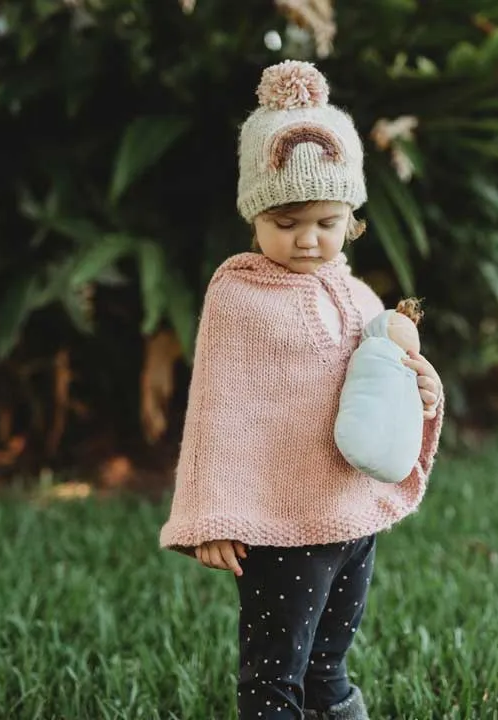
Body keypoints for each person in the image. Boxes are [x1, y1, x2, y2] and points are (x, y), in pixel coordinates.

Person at [160, 59, 444, 720]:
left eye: (325, 221)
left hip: (350, 515)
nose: (307, 239)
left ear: (351, 218)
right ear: (255, 217)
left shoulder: (360, 295)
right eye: (286, 223)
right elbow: (217, 408)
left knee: (329, 661)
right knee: (274, 675)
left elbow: (381, 388)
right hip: (280, 526)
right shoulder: (238, 296)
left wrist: (423, 386)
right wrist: (215, 513)